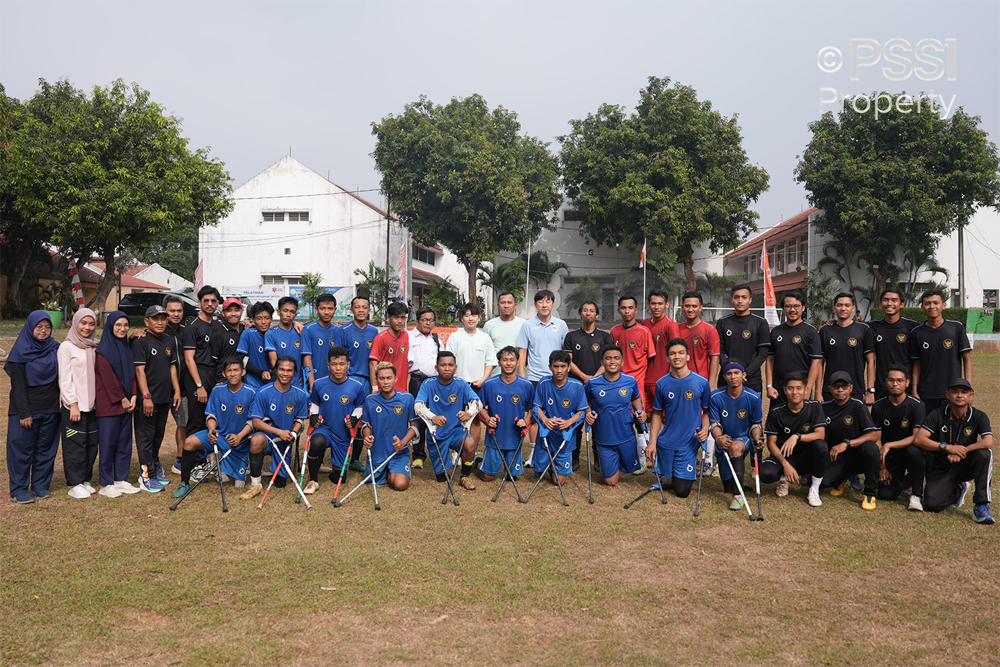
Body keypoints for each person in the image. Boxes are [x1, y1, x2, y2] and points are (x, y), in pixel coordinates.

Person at [173, 357, 256, 498]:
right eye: (229, 371)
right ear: (223, 374)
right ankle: (184, 483)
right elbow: (211, 415)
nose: (232, 374)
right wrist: (212, 430)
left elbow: (253, 421)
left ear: (243, 372)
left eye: (236, 370)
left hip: (240, 440)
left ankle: (235, 466)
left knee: (239, 485)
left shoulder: (252, 392)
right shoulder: (217, 390)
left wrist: (240, 436)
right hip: (219, 437)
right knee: (189, 442)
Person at [914, 378, 994, 523]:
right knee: (930, 504)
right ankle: (957, 490)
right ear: (947, 395)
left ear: (971, 396)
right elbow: (920, 439)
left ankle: (981, 505)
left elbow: (988, 441)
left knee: (984, 453)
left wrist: (963, 450)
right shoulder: (937, 413)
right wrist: (948, 447)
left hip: (965, 464)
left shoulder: (979, 416)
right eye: (955, 392)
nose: (959, 395)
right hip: (942, 465)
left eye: (964, 392)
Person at [5, 311, 62, 504]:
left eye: (47, 328)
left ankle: (40, 485)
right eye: (39, 327)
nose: (44, 331)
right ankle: (19, 489)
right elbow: (18, 385)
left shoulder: (55, 348)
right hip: (26, 410)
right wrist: (24, 412)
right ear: (31, 327)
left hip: (51, 408)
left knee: (46, 450)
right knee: (21, 450)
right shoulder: (20, 351)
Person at [646, 338, 711, 498]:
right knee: (669, 481)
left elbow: (707, 411)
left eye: (681, 353)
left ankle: (683, 469)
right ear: (667, 358)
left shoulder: (702, 383)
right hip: (666, 442)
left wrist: (705, 429)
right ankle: (672, 470)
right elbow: (657, 414)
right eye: (672, 354)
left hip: (688, 443)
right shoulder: (662, 383)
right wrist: (652, 442)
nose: (677, 357)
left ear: (688, 356)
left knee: (682, 492)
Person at [242, 356, 309, 499]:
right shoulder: (263, 392)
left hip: (285, 441)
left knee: (280, 483)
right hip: (267, 437)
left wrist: (293, 433)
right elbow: (256, 421)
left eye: (289, 370)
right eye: (282, 369)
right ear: (275, 371)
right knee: (255, 441)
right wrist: (279, 432)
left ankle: (279, 471)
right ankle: (255, 484)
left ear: (294, 373)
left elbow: (300, 420)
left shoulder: (300, 394)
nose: (285, 373)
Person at [132, 305, 183, 493]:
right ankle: (146, 476)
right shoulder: (141, 341)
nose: (160, 322)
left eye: (163, 318)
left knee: (157, 436)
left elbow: (172, 368)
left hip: (164, 398)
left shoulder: (168, 340)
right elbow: (139, 371)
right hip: (148, 400)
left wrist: (176, 391)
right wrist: (146, 397)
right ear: (147, 321)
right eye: (155, 319)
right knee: (145, 438)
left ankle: (154, 470)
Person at [759, 371, 828, 507]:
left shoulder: (814, 407)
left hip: (805, 457)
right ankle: (784, 478)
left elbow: (820, 434)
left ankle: (814, 489)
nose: (794, 392)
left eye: (798, 388)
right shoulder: (776, 411)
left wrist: (797, 436)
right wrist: (785, 464)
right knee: (765, 473)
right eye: (790, 388)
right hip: (784, 456)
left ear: (806, 389)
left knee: (821, 446)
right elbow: (772, 444)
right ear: (784, 390)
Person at [517, 290, 569, 466]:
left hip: (556, 378)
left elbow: (565, 353)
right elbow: (523, 351)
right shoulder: (527, 325)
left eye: (548, 301)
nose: (544, 305)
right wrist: (522, 376)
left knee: (555, 414)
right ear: (536, 305)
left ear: (553, 304)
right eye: (540, 302)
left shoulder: (561, 325)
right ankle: (533, 453)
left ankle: (555, 452)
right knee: (534, 417)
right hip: (533, 377)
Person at [304, 346, 365, 494]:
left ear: (348, 365)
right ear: (328, 366)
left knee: (340, 478)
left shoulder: (357, 386)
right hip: (325, 428)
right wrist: (313, 415)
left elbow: (360, 406)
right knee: (317, 441)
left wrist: (355, 418)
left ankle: (334, 469)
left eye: (342, 364)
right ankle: (313, 480)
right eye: (334, 364)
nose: (338, 368)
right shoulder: (319, 384)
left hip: (343, 433)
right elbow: (315, 403)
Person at [415, 351, 479, 490]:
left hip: (455, 431)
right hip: (436, 434)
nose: (447, 368)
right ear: (436, 367)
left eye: (450, 365)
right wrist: (433, 417)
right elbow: (417, 406)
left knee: (469, 443)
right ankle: (442, 467)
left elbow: (477, 402)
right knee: (441, 478)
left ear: (456, 367)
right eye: (443, 365)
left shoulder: (461, 384)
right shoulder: (428, 384)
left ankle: (465, 475)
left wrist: (468, 413)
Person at [585, 345, 646, 486]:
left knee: (631, 470)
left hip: (626, 435)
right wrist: (588, 413)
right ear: (602, 362)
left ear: (622, 362)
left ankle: (618, 460)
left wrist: (640, 411)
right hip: (604, 437)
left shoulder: (630, 381)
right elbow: (586, 401)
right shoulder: (593, 383)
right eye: (608, 358)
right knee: (611, 482)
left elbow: (636, 397)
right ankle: (608, 463)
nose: (612, 361)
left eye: (616, 358)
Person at [819, 371, 881, 510]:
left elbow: (873, 435)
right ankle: (842, 478)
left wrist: (846, 444)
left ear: (851, 388)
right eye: (836, 386)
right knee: (821, 481)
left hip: (859, 456)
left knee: (871, 448)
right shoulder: (824, 408)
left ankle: (870, 493)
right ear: (830, 388)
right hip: (837, 457)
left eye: (844, 386)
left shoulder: (859, 406)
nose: (840, 390)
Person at [93, 311, 139, 498]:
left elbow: (131, 374)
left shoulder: (126, 347)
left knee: (124, 443)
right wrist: (123, 399)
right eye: (118, 325)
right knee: (108, 444)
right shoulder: (103, 351)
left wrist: (134, 395)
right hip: (110, 405)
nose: (122, 328)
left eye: (126, 325)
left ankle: (120, 479)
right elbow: (108, 379)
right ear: (110, 326)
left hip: (127, 404)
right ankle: (106, 483)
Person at [563, 301, 613, 469]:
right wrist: (584, 377)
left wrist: (593, 378)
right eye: (585, 310)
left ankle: (598, 459)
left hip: (599, 386)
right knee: (576, 422)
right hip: (576, 385)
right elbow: (568, 360)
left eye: (592, 311)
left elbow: (608, 360)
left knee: (597, 422)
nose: (588, 313)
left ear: (597, 315)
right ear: (580, 314)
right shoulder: (572, 336)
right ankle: (574, 457)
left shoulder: (605, 336)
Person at [708, 359, 764, 510]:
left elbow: (756, 423)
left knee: (735, 448)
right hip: (723, 439)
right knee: (728, 486)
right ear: (725, 377)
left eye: (736, 373)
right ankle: (736, 487)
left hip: (742, 438)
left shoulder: (753, 397)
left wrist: (757, 438)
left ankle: (738, 496)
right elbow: (714, 423)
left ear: (743, 375)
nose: (733, 376)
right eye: (729, 373)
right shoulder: (715, 397)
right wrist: (719, 438)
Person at [58, 308, 101, 499]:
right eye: (83, 323)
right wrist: (72, 403)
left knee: (91, 444)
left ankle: (85, 479)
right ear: (76, 323)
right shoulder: (66, 347)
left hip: (93, 406)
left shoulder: (94, 346)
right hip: (74, 407)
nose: (87, 327)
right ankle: (74, 483)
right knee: (75, 445)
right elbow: (65, 378)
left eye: (91, 323)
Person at [872, 365, 927, 511]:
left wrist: (890, 444)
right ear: (886, 382)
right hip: (891, 457)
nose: (895, 384)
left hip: (910, 452)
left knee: (914, 450)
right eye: (891, 380)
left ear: (907, 383)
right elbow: (876, 439)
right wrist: (882, 467)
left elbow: (916, 437)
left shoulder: (917, 405)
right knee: (885, 494)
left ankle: (916, 494)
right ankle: (907, 481)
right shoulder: (878, 406)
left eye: (899, 380)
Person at [910, 289, 973, 413]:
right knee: (927, 430)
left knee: (952, 430)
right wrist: (914, 389)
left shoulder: (956, 327)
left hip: (953, 392)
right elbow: (917, 363)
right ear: (922, 307)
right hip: (926, 393)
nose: (932, 306)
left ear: (943, 305)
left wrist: (968, 388)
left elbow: (967, 359)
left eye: (935, 303)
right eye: (927, 303)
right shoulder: (916, 333)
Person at [610, 295, 654, 472]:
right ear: (619, 310)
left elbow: (650, 360)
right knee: (621, 422)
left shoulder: (644, 332)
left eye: (630, 308)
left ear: (636, 310)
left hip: (637, 386)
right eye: (623, 308)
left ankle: (645, 459)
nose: (626, 311)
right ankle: (625, 457)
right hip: (617, 385)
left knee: (640, 422)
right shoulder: (614, 331)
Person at [476, 346, 533, 482]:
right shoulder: (490, 383)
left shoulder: (526, 385)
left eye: (512, 360)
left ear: (518, 362)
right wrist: (488, 418)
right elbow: (479, 406)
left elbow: (533, 407)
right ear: (499, 363)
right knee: (487, 477)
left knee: (512, 477)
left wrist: (526, 420)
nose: (508, 363)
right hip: (495, 436)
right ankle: (478, 461)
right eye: (505, 360)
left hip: (514, 438)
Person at [532, 350, 587, 485]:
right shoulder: (544, 383)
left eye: (563, 366)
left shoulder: (577, 386)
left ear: (569, 367)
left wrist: (569, 422)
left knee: (559, 482)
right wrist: (545, 420)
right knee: (539, 472)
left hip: (564, 437)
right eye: (555, 366)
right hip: (546, 435)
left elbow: (582, 413)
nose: (559, 370)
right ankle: (545, 465)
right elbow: (536, 408)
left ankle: (554, 467)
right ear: (550, 367)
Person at [361, 362, 419, 491]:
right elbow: (366, 424)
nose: (386, 382)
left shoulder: (407, 398)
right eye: (382, 378)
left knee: (400, 485)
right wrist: (367, 436)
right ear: (376, 380)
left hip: (398, 452)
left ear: (395, 379)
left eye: (389, 378)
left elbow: (414, 425)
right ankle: (387, 470)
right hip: (378, 452)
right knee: (373, 482)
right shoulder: (370, 399)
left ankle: (394, 470)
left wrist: (403, 442)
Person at [446, 302, 495, 448]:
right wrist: (454, 381)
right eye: (467, 315)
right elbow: (449, 361)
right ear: (462, 318)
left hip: (477, 385)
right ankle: (456, 452)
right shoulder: (454, 337)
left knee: (475, 419)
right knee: (456, 418)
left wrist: (483, 380)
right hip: (457, 385)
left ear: (479, 318)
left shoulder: (485, 338)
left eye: (473, 315)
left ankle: (470, 452)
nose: (470, 319)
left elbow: (490, 362)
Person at [341, 296, 378, 471]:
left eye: (364, 307)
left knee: (363, 420)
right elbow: (338, 356)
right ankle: (341, 457)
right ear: (352, 310)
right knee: (346, 418)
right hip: (349, 380)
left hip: (368, 381)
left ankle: (355, 459)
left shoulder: (374, 331)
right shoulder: (344, 330)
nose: (361, 310)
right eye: (357, 307)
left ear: (369, 310)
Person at [767, 292, 823, 404]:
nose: (792, 310)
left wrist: (808, 389)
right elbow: (770, 359)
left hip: (800, 385)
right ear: (783, 309)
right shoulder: (776, 331)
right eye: (788, 306)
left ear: (803, 308)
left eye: (796, 306)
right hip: (779, 386)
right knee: (778, 418)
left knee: (801, 420)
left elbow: (816, 362)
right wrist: (769, 385)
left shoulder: (811, 332)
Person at [819, 293, 875, 403]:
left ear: (853, 308)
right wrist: (817, 392)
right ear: (834, 308)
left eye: (847, 305)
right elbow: (819, 363)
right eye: (839, 305)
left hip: (855, 388)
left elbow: (871, 362)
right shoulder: (825, 331)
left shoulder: (864, 329)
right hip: (830, 389)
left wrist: (870, 391)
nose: (843, 308)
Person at [715, 284, 770, 395]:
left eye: (744, 297)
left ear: (750, 300)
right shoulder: (722, 322)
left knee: (750, 412)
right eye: (737, 297)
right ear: (732, 300)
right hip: (727, 379)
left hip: (751, 379)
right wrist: (730, 372)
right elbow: (719, 351)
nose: (740, 301)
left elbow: (763, 353)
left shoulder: (760, 323)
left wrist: (745, 373)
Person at [184, 285, 223, 437]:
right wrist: (199, 385)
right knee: (196, 419)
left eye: (213, 301)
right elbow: (189, 358)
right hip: (197, 374)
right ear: (199, 302)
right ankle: (189, 460)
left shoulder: (218, 326)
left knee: (213, 416)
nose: (210, 304)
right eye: (206, 300)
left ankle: (207, 457)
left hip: (213, 374)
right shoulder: (192, 327)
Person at [868, 287, 920, 401]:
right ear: (881, 304)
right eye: (885, 300)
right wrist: (833, 323)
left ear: (902, 304)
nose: (889, 303)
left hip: (906, 386)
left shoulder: (913, 327)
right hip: (882, 386)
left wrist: (915, 388)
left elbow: (918, 360)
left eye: (894, 300)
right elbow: (852, 327)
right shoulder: (872, 327)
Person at [407, 307, 440, 469]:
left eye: (431, 320)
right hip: (417, 381)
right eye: (425, 320)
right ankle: (418, 456)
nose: (428, 323)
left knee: (435, 416)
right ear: (418, 320)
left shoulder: (435, 338)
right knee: (418, 417)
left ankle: (438, 454)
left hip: (434, 382)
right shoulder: (409, 337)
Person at [163, 294, 189, 475]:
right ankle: (151, 462)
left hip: (183, 388)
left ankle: (180, 459)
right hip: (161, 389)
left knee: (183, 423)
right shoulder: (158, 332)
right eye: (172, 311)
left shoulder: (186, 331)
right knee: (155, 429)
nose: (176, 314)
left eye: (179, 310)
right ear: (165, 311)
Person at [641, 290, 680, 409]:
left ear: (666, 305)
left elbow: (675, 353)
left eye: (660, 303)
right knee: (647, 416)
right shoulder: (644, 324)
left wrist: (670, 378)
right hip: (644, 380)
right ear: (648, 305)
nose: (656, 307)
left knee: (663, 416)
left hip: (662, 380)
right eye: (653, 303)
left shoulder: (670, 325)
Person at [301, 293, 343, 391]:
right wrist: (312, 384)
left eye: (330, 308)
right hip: (315, 379)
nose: (326, 312)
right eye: (323, 308)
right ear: (316, 309)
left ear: (335, 310)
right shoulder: (308, 329)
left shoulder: (338, 331)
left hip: (334, 381)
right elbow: (307, 358)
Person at [370, 301, 410, 395]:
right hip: (384, 391)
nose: (400, 321)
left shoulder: (406, 335)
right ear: (389, 318)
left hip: (401, 391)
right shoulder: (380, 338)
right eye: (396, 317)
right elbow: (373, 364)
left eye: (402, 318)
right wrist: (375, 387)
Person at [483, 291, 525, 377]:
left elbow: (526, 351)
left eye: (509, 302)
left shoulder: (524, 324)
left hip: (517, 376)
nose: (506, 305)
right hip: (494, 375)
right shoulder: (489, 325)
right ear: (498, 305)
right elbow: (485, 351)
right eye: (503, 303)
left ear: (515, 305)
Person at [265, 296, 303, 385]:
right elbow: (274, 362)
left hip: (298, 382)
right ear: (278, 312)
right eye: (285, 311)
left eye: (292, 312)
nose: (288, 314)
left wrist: (304, 374)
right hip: (280, 382)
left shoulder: (301, 332)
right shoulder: (271, 334)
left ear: (295, 315)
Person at [237, 301, 274, 389]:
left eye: (267, 318)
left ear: (271, 319)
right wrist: (261, 372)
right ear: (253, 320)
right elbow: (241, 358)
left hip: (273, 383)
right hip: (252, 383)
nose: (263, 322)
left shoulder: (276, 335)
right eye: (259, 318)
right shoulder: (248, 334)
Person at [212, 297, 245, 385]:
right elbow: (212, 362)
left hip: (242, 381)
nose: (233, 314)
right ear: (223, 313)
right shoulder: (218, 333)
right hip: (223, 381)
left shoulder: (245, 331)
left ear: (242, 311)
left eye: (237, 310)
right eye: (229, 310)